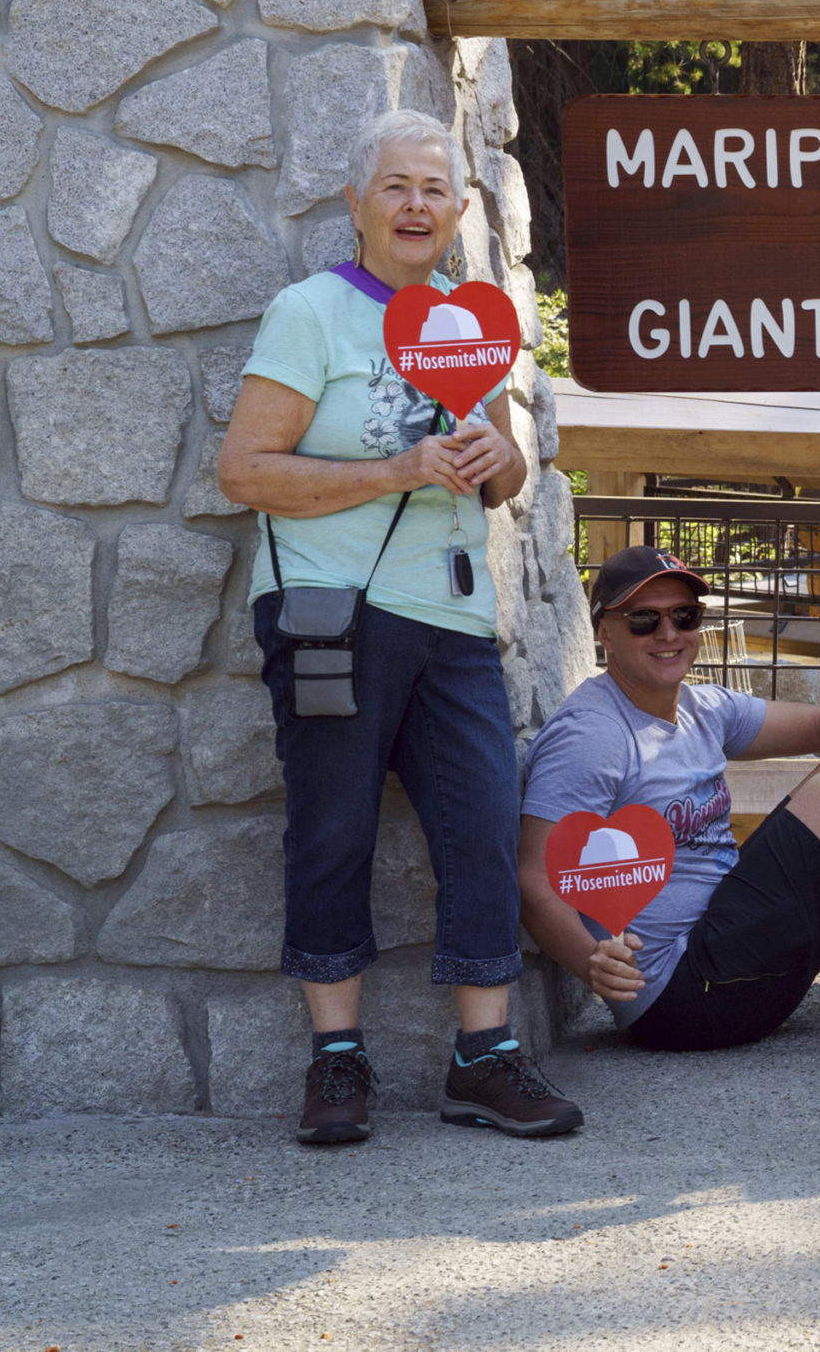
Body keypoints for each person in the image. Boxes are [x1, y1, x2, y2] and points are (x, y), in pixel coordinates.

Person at [216, 110, 576, 1144]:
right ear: (357, 204)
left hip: (454, 615)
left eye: (434, 188)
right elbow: (244, 470)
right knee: (332, 829)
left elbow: (506, 473)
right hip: (332, 609)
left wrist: (485, 457)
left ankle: (485, 1056)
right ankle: (335, 1061)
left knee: (478, 828)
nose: (416, 204)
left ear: (461, 210)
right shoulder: (311, 312)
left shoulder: (472, 315)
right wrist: (396, 470)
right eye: (396, 186)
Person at [518, 548, 820, 1053]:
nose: (668, 634)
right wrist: (590, 962)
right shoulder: (591, 736)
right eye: (643, 620)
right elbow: (535, 879)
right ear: (605, 632)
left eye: (683, 616)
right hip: (682, 995)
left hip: (725, 944)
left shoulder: (700, 706)